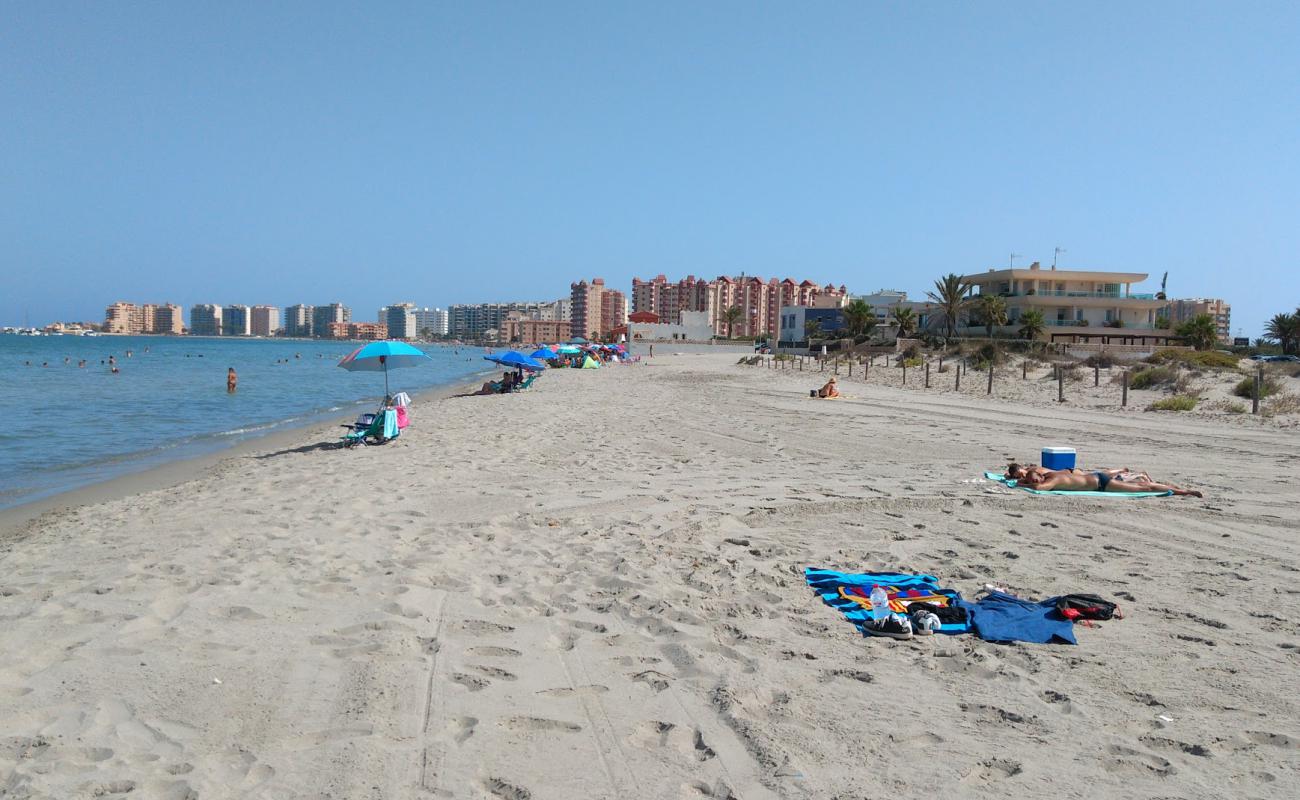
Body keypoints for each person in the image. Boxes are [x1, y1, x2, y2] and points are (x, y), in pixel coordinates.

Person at [1020, 469, 1202, 497]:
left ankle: (1183, 492)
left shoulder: (1053, 479)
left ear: (1039, 475)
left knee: (1143, 488)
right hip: (1097, 478)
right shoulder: (1052, 474)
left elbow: (1039, 488)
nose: (1033, 481)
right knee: (1140, 486)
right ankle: (1179, 490)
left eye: (1033, 477)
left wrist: (1022, 484)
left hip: (1101, 483)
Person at [1006, 463, 1151, 483]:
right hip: (1068, 472)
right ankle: (1122, 471)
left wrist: (1018, 479)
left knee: (1101, 476)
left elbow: (1027, 478)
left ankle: (1132, 474)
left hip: (1069, 473)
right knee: (1099, 474)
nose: (1021, 477)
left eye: (1019, 474)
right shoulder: (1031, 468)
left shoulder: (1032, 471)